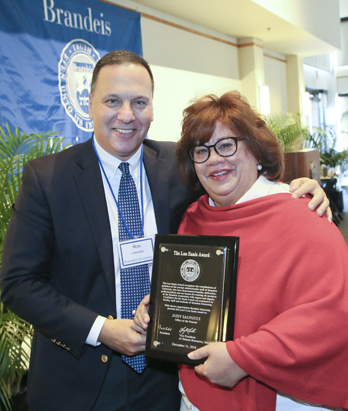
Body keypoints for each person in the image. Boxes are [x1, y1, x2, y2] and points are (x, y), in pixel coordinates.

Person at [0, 51, 329, 411]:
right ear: (90, 102)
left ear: (152, 108)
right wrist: (103, 330)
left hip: (164, 379)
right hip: (79, 380)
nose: (127, 115)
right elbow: (18, 283)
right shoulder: (47, 178)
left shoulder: (180, 165)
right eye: (113, 100)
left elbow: (234, 176)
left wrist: (293, 189)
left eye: (139, 102)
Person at [134, 91, 348, 411]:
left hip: (281, 399)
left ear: (255, 148)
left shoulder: (302, 217)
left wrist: (244, 357)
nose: (215, 160)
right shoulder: (193, 218)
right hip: (192, 397)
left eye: (226, 145)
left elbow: (333, 312)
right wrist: (159, 309)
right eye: (201, 150)